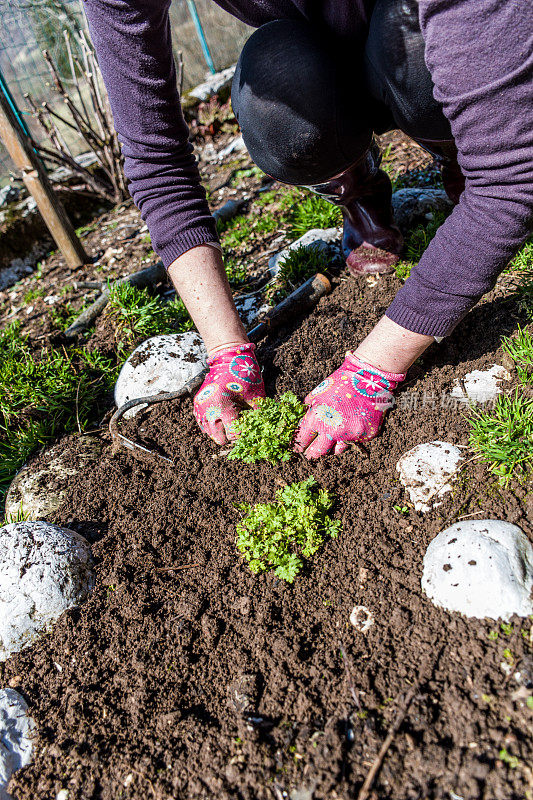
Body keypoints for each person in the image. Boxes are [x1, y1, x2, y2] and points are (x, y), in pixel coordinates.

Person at [84, 0, 533, 459]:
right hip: (318, 61)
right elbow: (156, 162)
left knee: (414, 46)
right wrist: (225, 349)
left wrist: (374, 369)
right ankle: (357, 187)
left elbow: (513, 177)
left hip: (418, 40)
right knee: (274, 81)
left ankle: (463, 152)